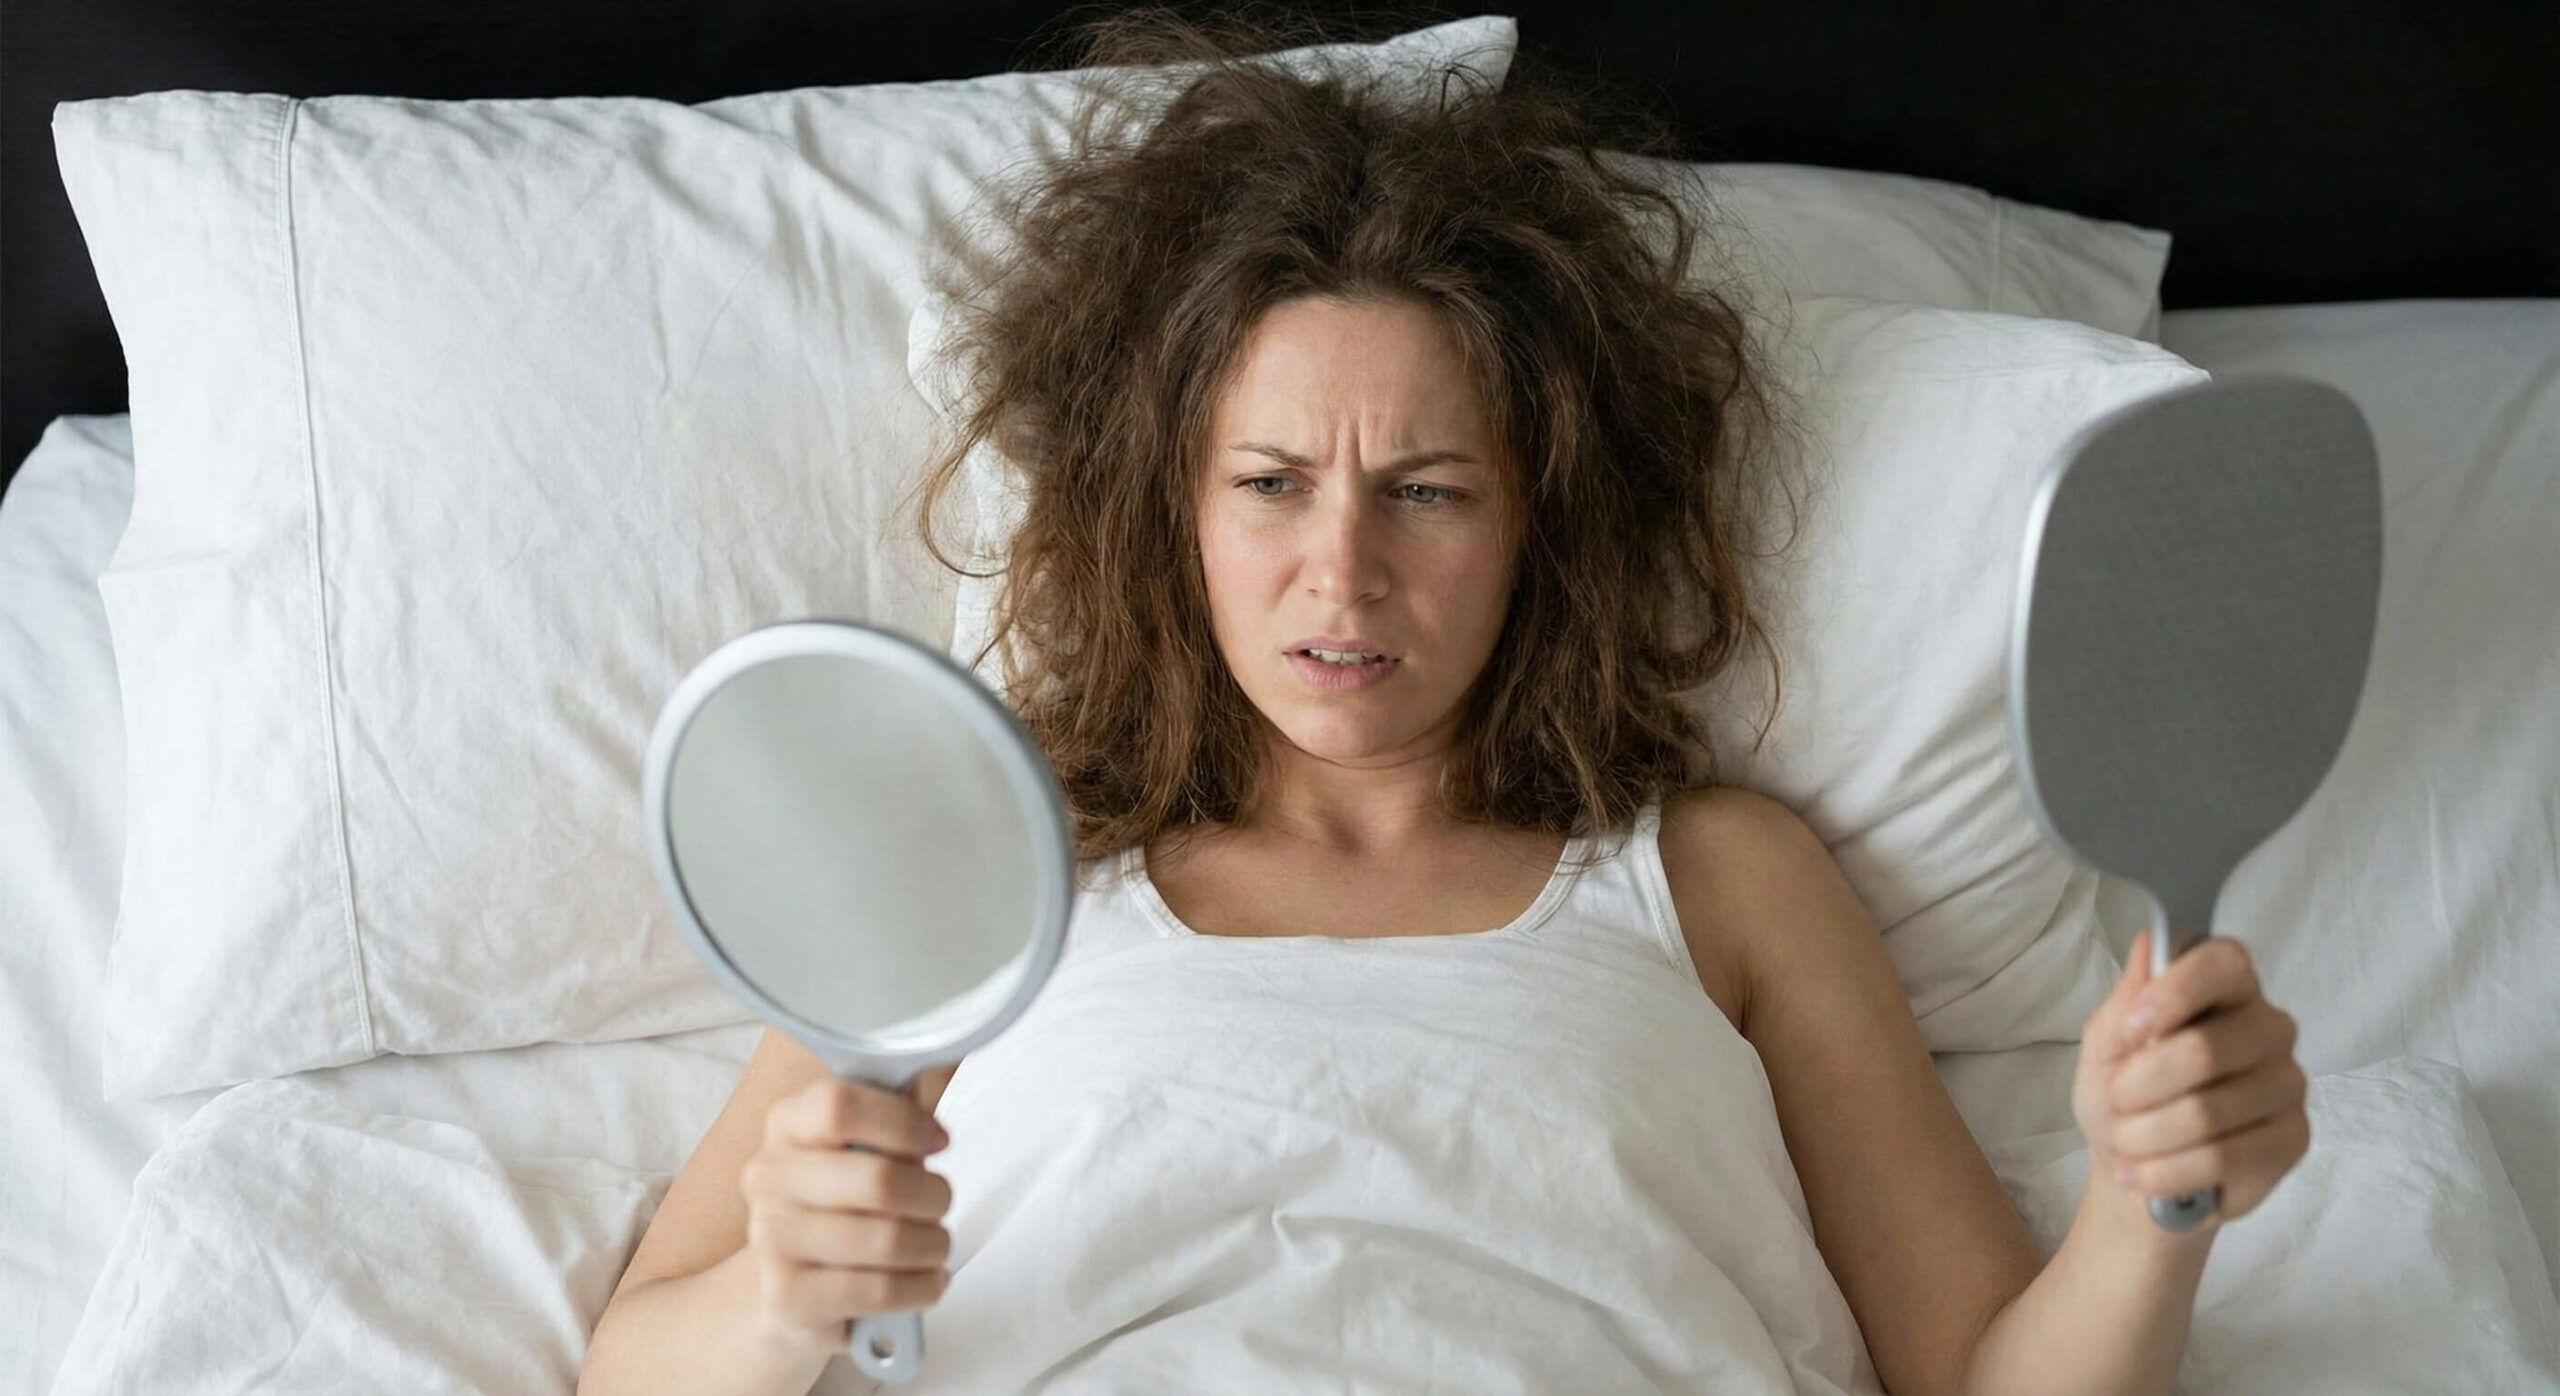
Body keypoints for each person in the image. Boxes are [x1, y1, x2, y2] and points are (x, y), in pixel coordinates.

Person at [578, 13, 2310, 1395]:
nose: (1343, 572)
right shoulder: (976, 857)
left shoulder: (1718, 880)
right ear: (1164, 511)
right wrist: (785, 1302)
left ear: (1535, 524)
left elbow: (1994, 1380)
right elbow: (632, 1374)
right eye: (1268, 482)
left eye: (1425, 491)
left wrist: (2157, 1208)